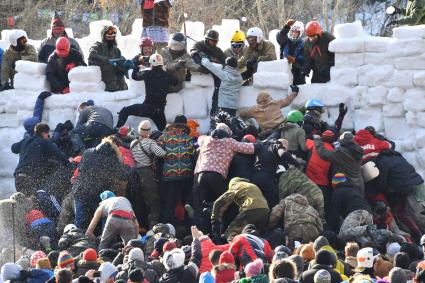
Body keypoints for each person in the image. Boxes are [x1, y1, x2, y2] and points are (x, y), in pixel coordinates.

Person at [72, 136, 128, 229]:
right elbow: (122, 176)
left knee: (79, 223)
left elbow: (81, 170)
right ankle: (102, 241)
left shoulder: (88, 152)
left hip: (80, 191)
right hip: (97, 195)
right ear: (116, 147)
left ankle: (76, 239)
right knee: (104, 220)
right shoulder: (113, 159)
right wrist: (121, 162)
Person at [116, 53, 178, 130]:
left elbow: (134, 76)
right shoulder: (167, 75)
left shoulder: (147, 73)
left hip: (147, 108)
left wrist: (137, 66)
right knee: (163, 132)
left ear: (151, 64)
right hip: (159, 112)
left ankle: (117, 129)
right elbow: (175, 82)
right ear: (162, 64)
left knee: (125, 111)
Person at [11, 123, 71, 196]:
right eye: (47, 134)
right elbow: (58, 154)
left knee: (22, 201)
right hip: (31, 177)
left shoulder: (26, 140)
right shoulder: (44, 142)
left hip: (18, 176)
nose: (48, 136)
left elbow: (13, 148)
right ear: (43, 133)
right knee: (32, 202)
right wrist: (68, 163)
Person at [157, 115, 195, 225]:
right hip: (186, 175)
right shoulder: (188, 138)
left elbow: (157, 152)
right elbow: (193, 154)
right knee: (185, 202)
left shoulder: (164, 137)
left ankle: (167, 226)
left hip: (169, 175)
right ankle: (187, 226)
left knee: (170, 202)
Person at [130, 120, 166, 228]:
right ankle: (153, 227)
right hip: (146, 173)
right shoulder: (149, 142)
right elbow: (162, 154)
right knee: (153, 201)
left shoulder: (133, 143)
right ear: (149, 132)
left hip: (134, 174)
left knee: (138, 201)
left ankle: (138, 227)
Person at [190, 29, 226, 127]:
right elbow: (193, 53)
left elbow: (223, 63)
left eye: (215, 41)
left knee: (219, 91)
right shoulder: (199, 45)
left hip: (214, 75)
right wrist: (204, 61)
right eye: (212, 41)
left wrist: (214, 64)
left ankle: (215, 114)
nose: (214, 43)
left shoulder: (218, 51)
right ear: (207, 39)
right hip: (200, 70)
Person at [305, 130, 335, 223]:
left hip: (308, 180)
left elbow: (306, 140)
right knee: (323, 207)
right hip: (323, 184)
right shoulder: (334, 152)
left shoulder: (313, 144)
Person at [88, 25, 128, 92]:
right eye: (108, 37)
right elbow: (92, 55)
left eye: (112, 37)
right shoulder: (98, 46)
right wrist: (106, 60)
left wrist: (124, 65)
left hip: (120, 87)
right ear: (104, 37)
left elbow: (121, 66)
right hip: (105, 86)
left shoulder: (116, 50)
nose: (110, 39)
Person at [276, 19, 306, 85]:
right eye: (293, 31)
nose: (294, 33)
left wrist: (296, 59)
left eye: (296, 32)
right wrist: (286, 27)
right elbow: (279, 37)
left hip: (298, 71)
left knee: (299, 88)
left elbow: (304, 57)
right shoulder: (285, 41)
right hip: (284, 70)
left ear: (300, 33)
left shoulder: (303, 43)